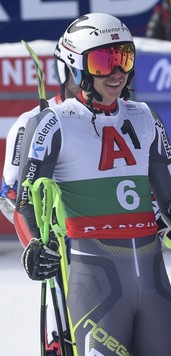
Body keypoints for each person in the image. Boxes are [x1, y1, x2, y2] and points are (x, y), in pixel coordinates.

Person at [16, 13, 171, 355]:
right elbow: (25, 201)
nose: (116, 73)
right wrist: (32, 247)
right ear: (74, 66)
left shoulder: (145, 117)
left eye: (124, 58)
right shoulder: (53, 123)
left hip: (154, 282)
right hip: (96, 285)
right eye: (103, 62)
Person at [0, 38, 79, 356]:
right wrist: (37, 239)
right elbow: (9, 194)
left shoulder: (116, 118)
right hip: (60, 248)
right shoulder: (32, 123)